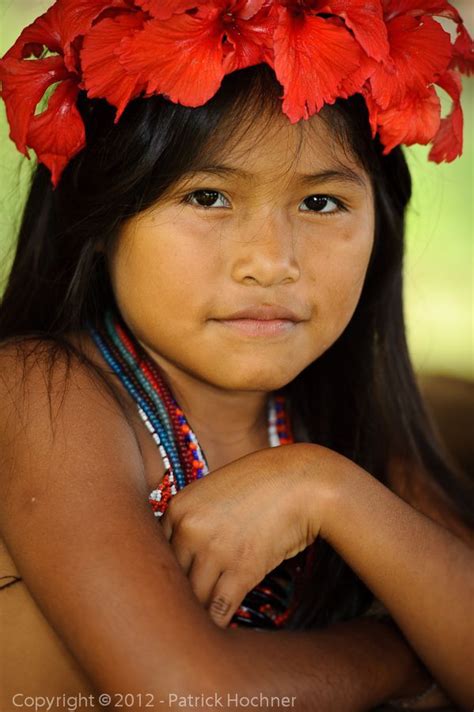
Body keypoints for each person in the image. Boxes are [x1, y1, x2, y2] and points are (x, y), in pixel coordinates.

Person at [0, 1, 473, 710]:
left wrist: (323, 487)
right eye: (209, 195)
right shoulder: (42, 394)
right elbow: (186, 693)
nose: (270, 263)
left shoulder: (348, 433)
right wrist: (408, 653)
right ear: (97, 219)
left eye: (320, 204)